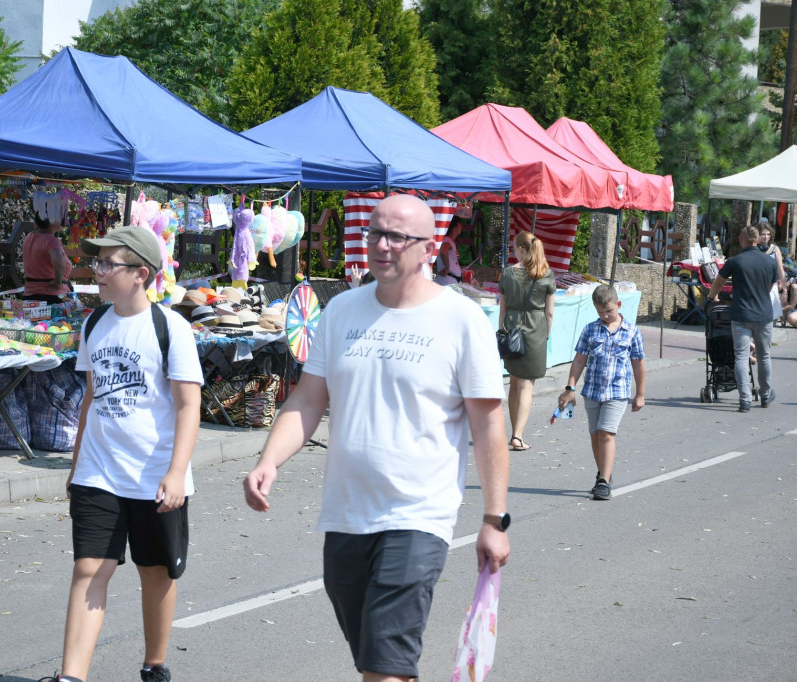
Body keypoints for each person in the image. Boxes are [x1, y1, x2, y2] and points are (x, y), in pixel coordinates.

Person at [244, 194, 511, 682]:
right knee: (382, 660)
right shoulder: (343, 311)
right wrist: (269, 461)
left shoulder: (462, 320)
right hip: (346, 514)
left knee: (383, 668)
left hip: (417, 515)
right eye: (375, 233)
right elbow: (307, 400)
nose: (382, 245)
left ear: (428, 248)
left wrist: (495, 519)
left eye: (397, 236)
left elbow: (489, 423)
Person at [42, 226, 202, 682]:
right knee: (89, 569)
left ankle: (154, 665)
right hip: (100, 470)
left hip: (155, 475)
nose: (99, 273)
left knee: (156, 572)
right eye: (97, 264)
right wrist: (77, 469)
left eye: (108, 264)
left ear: (140, 275)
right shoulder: (93, 324)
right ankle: (72, 676)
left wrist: (176, 473)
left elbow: (189, 405)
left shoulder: (170, 328)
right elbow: (91, 399)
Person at [557, 284, 645, 501]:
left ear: (618, 304)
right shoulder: (590, 330)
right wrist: (570, 388)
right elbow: (579, 360)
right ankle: (603, 472)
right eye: (600, 312)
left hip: (617, 392)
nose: (605, 315)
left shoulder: (632, 331)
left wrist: (640, 393)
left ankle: (604, 482)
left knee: (606, 433)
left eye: (609, 311)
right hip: (592, 391)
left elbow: (638, 364)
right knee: (595, 435)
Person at [708, 224, 777, 411]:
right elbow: (770, 286)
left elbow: (718, 282)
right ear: (757, 239)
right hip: (763, 314)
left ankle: (745, 399)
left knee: (741, 356)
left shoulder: (735, 261)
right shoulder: (770, 262)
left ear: (742, 240)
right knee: (764, 356)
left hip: (741, 314)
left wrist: (712, 297)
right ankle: (765, 394)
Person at [499, 231, 556, 451]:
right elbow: (549, 313)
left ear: (521, 249)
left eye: (515, 247)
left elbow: (502, 310)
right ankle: (518, 435)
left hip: (512, 332)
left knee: (514, 383)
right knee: (526, 385)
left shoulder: (507, 274)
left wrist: (502, 331)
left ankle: (514, 432)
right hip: (535, 331)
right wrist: (546, 333)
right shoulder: (546, 275)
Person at [23, 212, 73, 304]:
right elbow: (59, 263)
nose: (64, 222)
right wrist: (58, 282)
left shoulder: (29, 238)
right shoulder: (52, 241)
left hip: (30, 294)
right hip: (51, 297)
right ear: (53, 221)